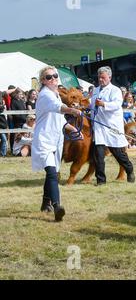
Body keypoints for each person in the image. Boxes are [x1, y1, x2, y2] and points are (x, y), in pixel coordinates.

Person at [31, 66, 82, 221]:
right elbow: (57, 108)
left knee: (51, 173)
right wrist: (72, 111)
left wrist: (72, 128)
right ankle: (57, 206)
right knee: (53, 173)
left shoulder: (55, 94)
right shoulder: (46, 95)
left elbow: (59, 119)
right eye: (48, 77)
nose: (52, 79)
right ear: (43, 81)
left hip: (55, 139)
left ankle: (45, 203)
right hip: (44, 140)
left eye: (54, 76)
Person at [90, 66, 135, 185]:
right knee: (98, 155)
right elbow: (92, 105)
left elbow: (117, 104)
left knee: (118, 153)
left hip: (111, 126)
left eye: (103, 77)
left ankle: (129, 169)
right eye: (99, 77)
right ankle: (101, 180)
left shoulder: (115, 90)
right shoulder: (95, 90)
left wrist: (104, 104)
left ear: (109, 77)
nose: (100, 79)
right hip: (99, 127)